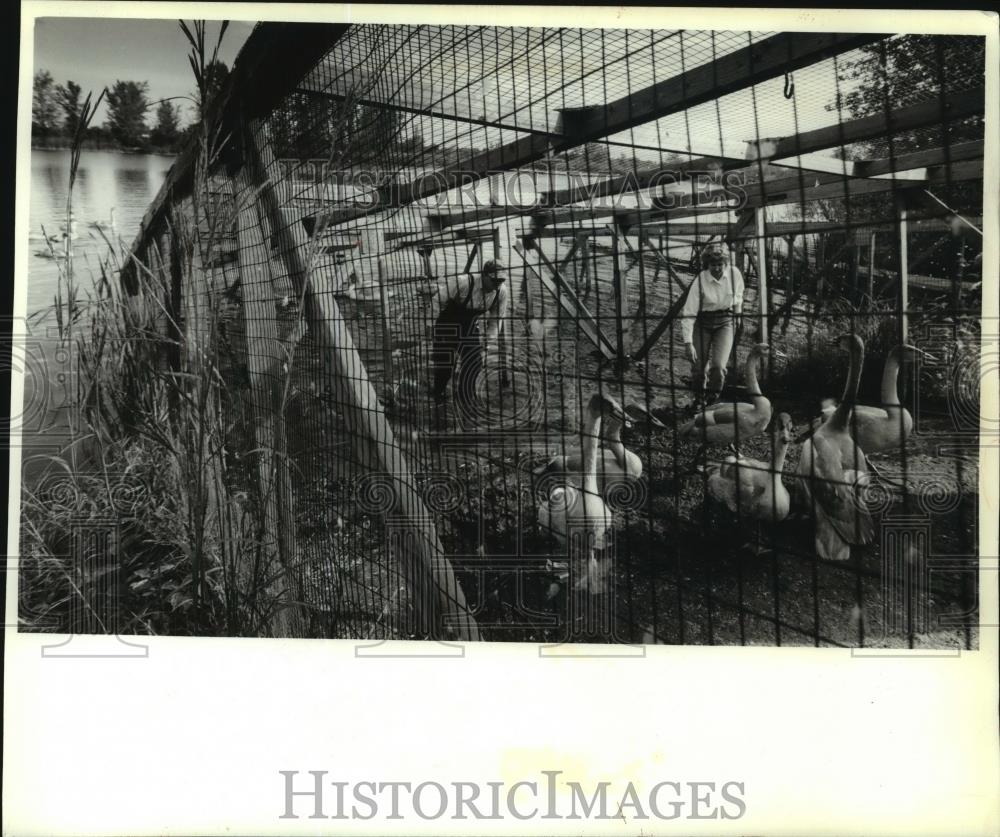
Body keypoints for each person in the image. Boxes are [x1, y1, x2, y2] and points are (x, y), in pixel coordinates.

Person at [429, 258, 510, 414]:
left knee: (475, 363)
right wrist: (430, 325)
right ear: (484, 275)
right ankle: (437, 395)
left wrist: (487, 342)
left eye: (501, 280)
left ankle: (465, 397)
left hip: (469, 327)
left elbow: (496, 320)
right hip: (447, 324)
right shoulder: (463, 282)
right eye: (494, 280)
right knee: (445, 365)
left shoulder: (501, 291)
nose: (497, 284)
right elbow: (437, 300)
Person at [680, 244, 745, 407]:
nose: (717, 269)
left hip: (725, 322)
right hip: (703, 323)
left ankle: (712, 399)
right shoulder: (700, 280)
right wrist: (688, 343)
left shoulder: (734, 274)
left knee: (719, 366)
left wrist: (738, 314)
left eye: (720, 265)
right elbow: (689, 312)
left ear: (726, 264)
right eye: (713, 265)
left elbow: (738, 295)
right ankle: (698, 398)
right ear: (707, 265)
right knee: (698, 366)